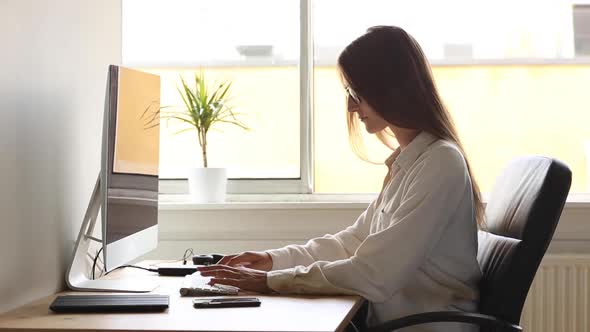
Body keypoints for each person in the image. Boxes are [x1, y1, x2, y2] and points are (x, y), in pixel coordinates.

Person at [197, 25, 484, 332]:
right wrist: (272, 260)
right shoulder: (409, 163)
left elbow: (374, 272)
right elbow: (354, 242)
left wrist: (272, 282)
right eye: (350, 93)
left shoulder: (440, 163)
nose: (351, 106)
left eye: (357, 93)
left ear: (389, 87)